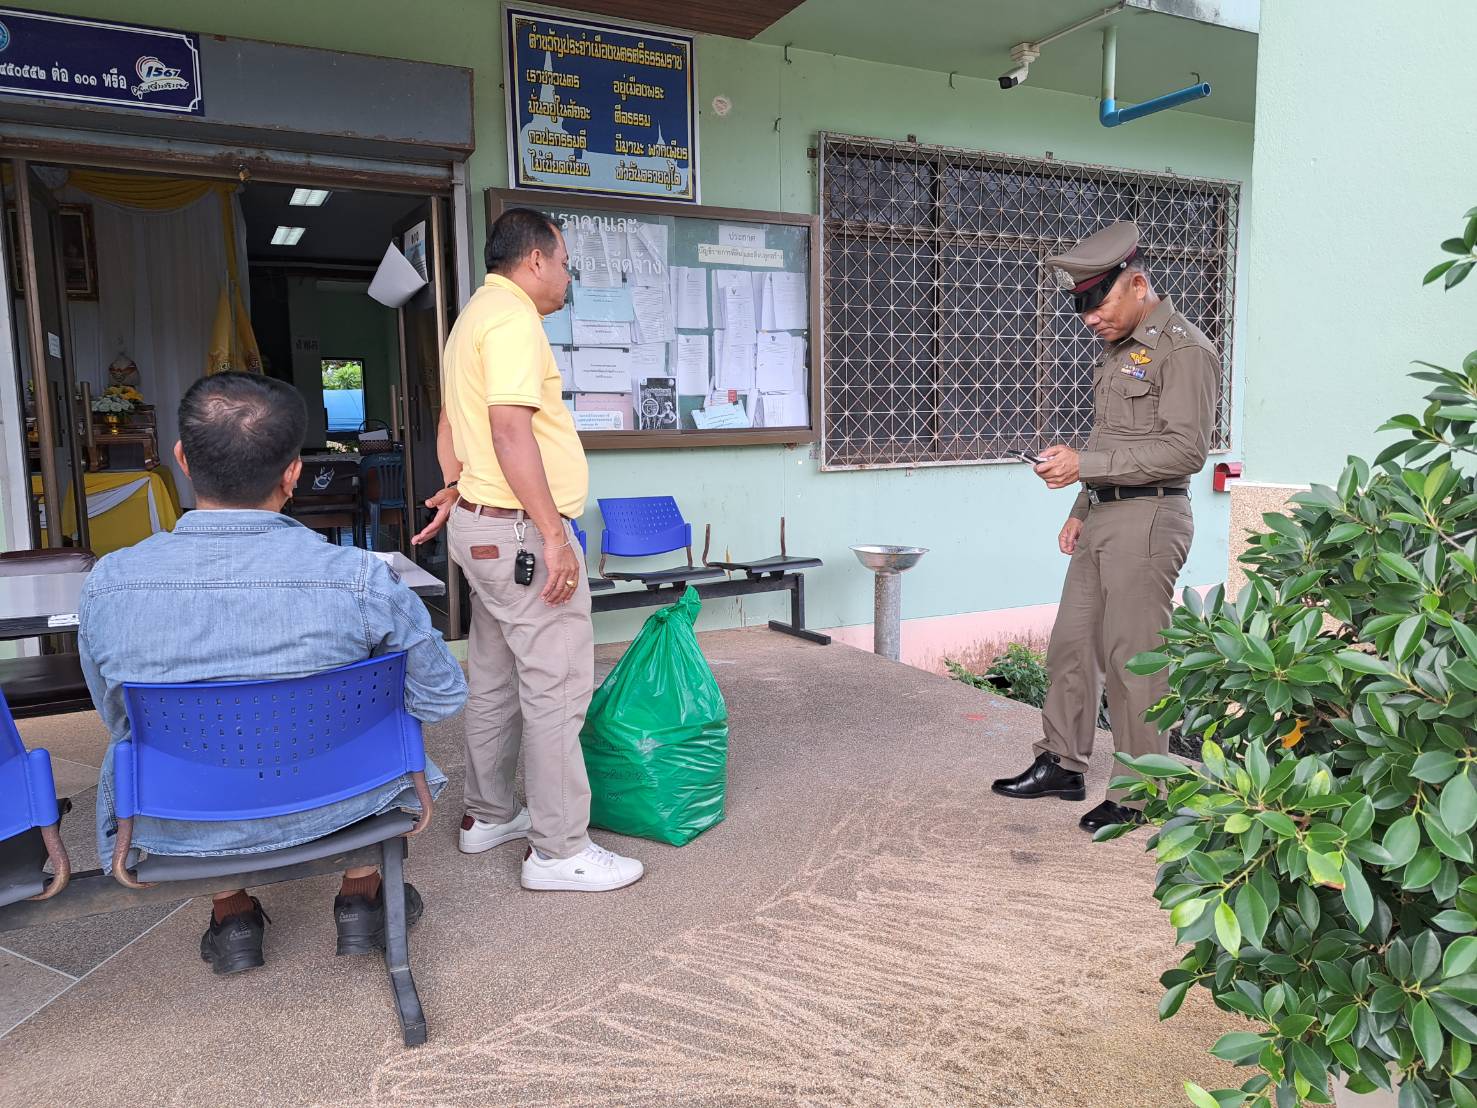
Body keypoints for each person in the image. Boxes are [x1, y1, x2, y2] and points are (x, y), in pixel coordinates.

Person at [78, 372, 468, 974]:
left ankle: (232, 916)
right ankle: (361, 895)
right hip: (345, 800)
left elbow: (117, 717)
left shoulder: (109, 583)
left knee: (159, 734)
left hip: (182, 814)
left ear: (182, 459)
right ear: (293, 473)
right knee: (386, 715)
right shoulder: (361, 579)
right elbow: (441, 696)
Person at [413, 207, 643, 892]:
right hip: (518, 535)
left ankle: (489, 815)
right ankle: (559, 851)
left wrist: (460, 486)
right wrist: (552, 534)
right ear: (536, 259)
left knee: (494, 678)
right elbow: (509, 430)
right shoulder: (513, 320)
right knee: (556, 687)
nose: (569, 277)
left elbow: (451, 420)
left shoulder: (472, 318)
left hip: (484, 530)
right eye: (565, 263)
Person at [990, 222, 1218, 834]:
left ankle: (1141, 792)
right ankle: (1062, 763)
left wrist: (1084, 467)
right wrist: (1080, 507)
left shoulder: (1184, 351)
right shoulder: (1122, 352)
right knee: (1072, 645)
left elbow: (1186, 451)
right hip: (1105, 514)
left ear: (1138, 284)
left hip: (1149, 520)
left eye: (1099, 304)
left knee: (1132, 662)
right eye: (1082, 308)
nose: (1090, 318)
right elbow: (1111, 438)